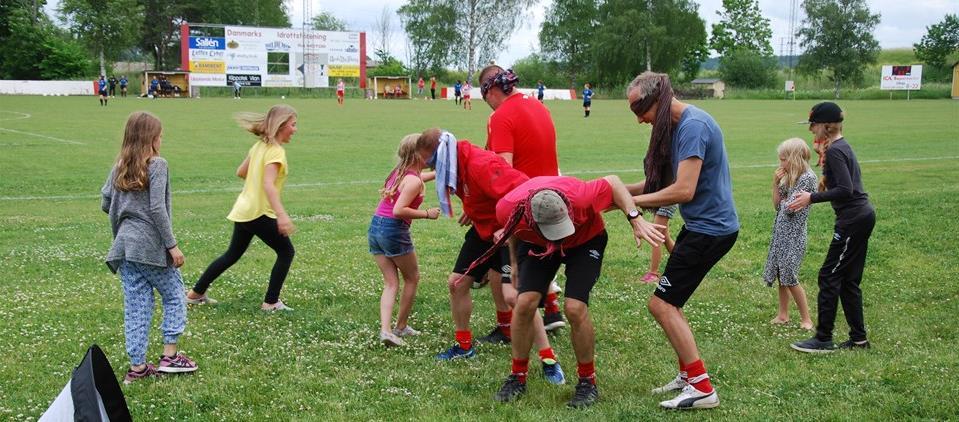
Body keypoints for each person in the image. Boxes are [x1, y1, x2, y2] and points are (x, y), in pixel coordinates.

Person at [489, 175, 665, 408]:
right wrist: (514, 262)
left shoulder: (581, 196)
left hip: (586, 239)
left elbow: (613, 182)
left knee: (575, 307)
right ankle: (517, 377)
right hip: (538, 243)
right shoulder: (508, 207)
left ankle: (587, 382)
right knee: (524, 303)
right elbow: (511, 230)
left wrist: (634, 217)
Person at [415, 129, 566, 386]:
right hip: (484, 229)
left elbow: (523, 193)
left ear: (442, 154)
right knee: (457, 283)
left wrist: (505, 227)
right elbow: (477, 195)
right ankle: (464, 346)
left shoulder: (480, 164)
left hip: (510, 230)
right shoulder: (456, 164)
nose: (433, 168)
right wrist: (473, 211)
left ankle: (549, 360)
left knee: (517, 297)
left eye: (431, 163)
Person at [626, 71, 739, 410]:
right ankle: (689, 376)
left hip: (711, 231)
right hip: (702, 226)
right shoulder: (676, 127)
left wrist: (629, 203)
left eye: (640, 109)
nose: (640, 119)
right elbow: (657, 184)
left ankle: (702, 388)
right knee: (670, 303)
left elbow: (682, 191)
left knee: (661, 304)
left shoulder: (693, 126)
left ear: (657, 101)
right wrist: (607, 192)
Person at [100, 111, 198, 384]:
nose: (162, 138)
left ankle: (138, 367)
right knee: (175, 294)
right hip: (150, 247)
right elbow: (157, 208)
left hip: (124, 248)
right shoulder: (157, 165)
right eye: (160, 134)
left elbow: (106, 201)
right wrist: (172, 245)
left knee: (137, 306)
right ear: (151, 138)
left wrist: (126, 216)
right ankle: (170, 356)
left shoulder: (119, 165)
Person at [479, 64, 565, 337]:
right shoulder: (539, 106)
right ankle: (551, 308)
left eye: (486, 100)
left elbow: (503, 169)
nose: (488, 107)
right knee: (540, 253)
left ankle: (511, 326)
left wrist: (483, 206)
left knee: (506, 266)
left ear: (491, 90)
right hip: (551, 193)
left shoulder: (502, 116)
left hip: (522, 201)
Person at [187, 105, 299, 311]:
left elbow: (241, 171)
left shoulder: (259, 147)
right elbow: (268, 185)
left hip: (244, 210)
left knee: (232, 254)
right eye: (293, 125)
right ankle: (271, 302)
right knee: (286, 252)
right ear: (281, 126)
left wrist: (256, 176)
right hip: (260, 212)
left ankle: (195, 294)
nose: (295, 129)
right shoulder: (276, 152)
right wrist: (282, 215)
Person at [788, 102, 875, 353]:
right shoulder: (840, 146)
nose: (811, 130)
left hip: (853, 220)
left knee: (829, 275)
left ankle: (823, 338)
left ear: (826, 126)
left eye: (813, 125)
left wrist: (810, 197)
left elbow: (846, 190)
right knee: (848, 280)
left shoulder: (836, 150)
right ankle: (859, 340)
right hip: (860, 217)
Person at [369, 134, 441, 347]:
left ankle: (386, 330)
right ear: (419, 154)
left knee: (391, 282)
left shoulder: (400, 173)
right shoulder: (413, 181)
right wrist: (427, 213)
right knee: (412, 278)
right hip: (393, 230)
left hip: (376, 228)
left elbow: (420, 178)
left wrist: (442, 172)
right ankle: (400, 326)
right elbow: (400, 210)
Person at [764, 138, 816, 330]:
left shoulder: (807, 178)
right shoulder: (791, 177)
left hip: (794, 236)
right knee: (781, 274)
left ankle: (806, 318)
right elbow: (778, 205)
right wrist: (776, 184)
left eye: (783, 159)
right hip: (781, 233)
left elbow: (789, 208)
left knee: (790, 275)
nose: (781, 164)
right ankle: (783, 315)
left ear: (794, 158)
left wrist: (786, 200)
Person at [641, 205, 677, 283]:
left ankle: (653, 274)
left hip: (667, 201)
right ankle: (684, 262)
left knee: (656, 236)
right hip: (661, 201)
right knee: (665, 238)